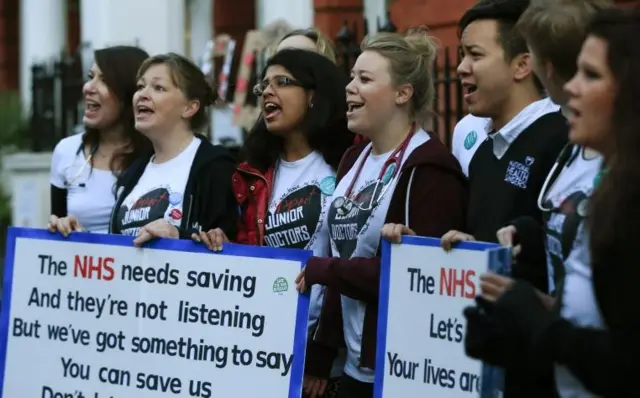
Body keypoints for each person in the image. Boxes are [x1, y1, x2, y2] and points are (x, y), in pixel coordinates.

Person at [465, 7, 640, 396]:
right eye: (575, 71)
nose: (569, 86)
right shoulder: (607, 176)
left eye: (591, 75)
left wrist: (539, 328)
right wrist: (516, 320)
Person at [296, 28, 468, 398]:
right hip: (353, 364)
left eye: (365, 79)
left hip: (400, 370)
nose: (349, 87)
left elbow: (420, 277)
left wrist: (323, 271)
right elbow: (334, 255)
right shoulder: (353, 158)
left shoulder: (430, 168)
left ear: (402, 94)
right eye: (352, 76)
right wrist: (321, 358)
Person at [196, 48, 354, 398]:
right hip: (269, 349)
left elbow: (352, 261)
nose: (267, 91)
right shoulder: (252, 172)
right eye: (263, 85)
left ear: (313, 95)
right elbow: (252, 257)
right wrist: (222, 242)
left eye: (282, 82)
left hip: (333, 360)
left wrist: (321, 357)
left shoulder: (348, 162)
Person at [441, 0, 569, 395]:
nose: (461, 68)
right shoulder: (482, 154)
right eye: (461, 55)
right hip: (490, 367)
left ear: (522, 65)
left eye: (475, 55)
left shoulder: (562, 140)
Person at [108, 53, 238, 247]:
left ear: (189, 107)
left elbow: (232, 250)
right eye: (141, 86)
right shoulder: (133, 172)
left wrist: (178, 235)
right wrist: (77, 236)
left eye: (158, 87)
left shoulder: (215, 167)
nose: (142, 94)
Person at [48, 46, 151, 235]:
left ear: (129, 93)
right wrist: (60, 225)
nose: (88, 87)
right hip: (82, 263)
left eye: (104, 80)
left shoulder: (158, 156)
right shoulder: (67, 151)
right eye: (90, 77)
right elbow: (56, 229)